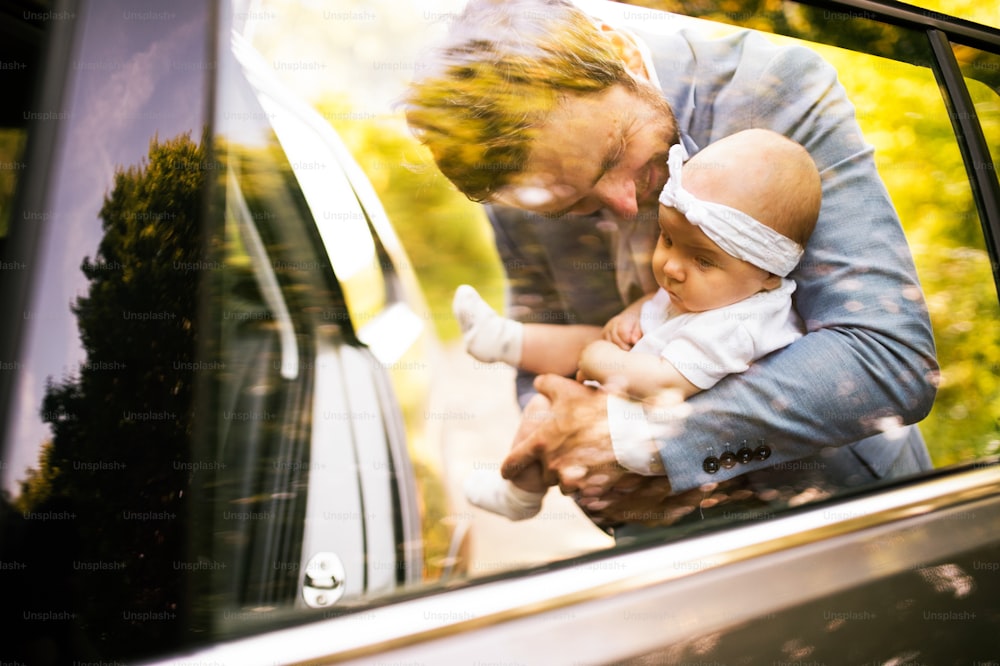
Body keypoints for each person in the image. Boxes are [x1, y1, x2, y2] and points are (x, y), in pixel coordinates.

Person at [404, 0, 937, 530]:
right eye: (575, 208)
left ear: (615, 51)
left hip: (846, 509)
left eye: (614, 155)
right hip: (649, 533)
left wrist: (650, 445)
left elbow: (889, 360)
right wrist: (557, 428)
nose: (624, 208)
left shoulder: (772, 89)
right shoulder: (518, 187)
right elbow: (541, 338)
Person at [454, 129, 821, 520]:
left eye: (703, 260)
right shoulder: (723, 288)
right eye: (667, 238)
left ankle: (519, 495)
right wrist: (631, 316)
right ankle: (503, 339)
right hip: (638, 381)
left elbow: (665, 383)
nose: (671, 267)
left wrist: (599, 358)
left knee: (547, 407)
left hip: (647, 427)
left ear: (768, 273)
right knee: (585, 342)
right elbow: (658, 300)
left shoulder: (741, 324)